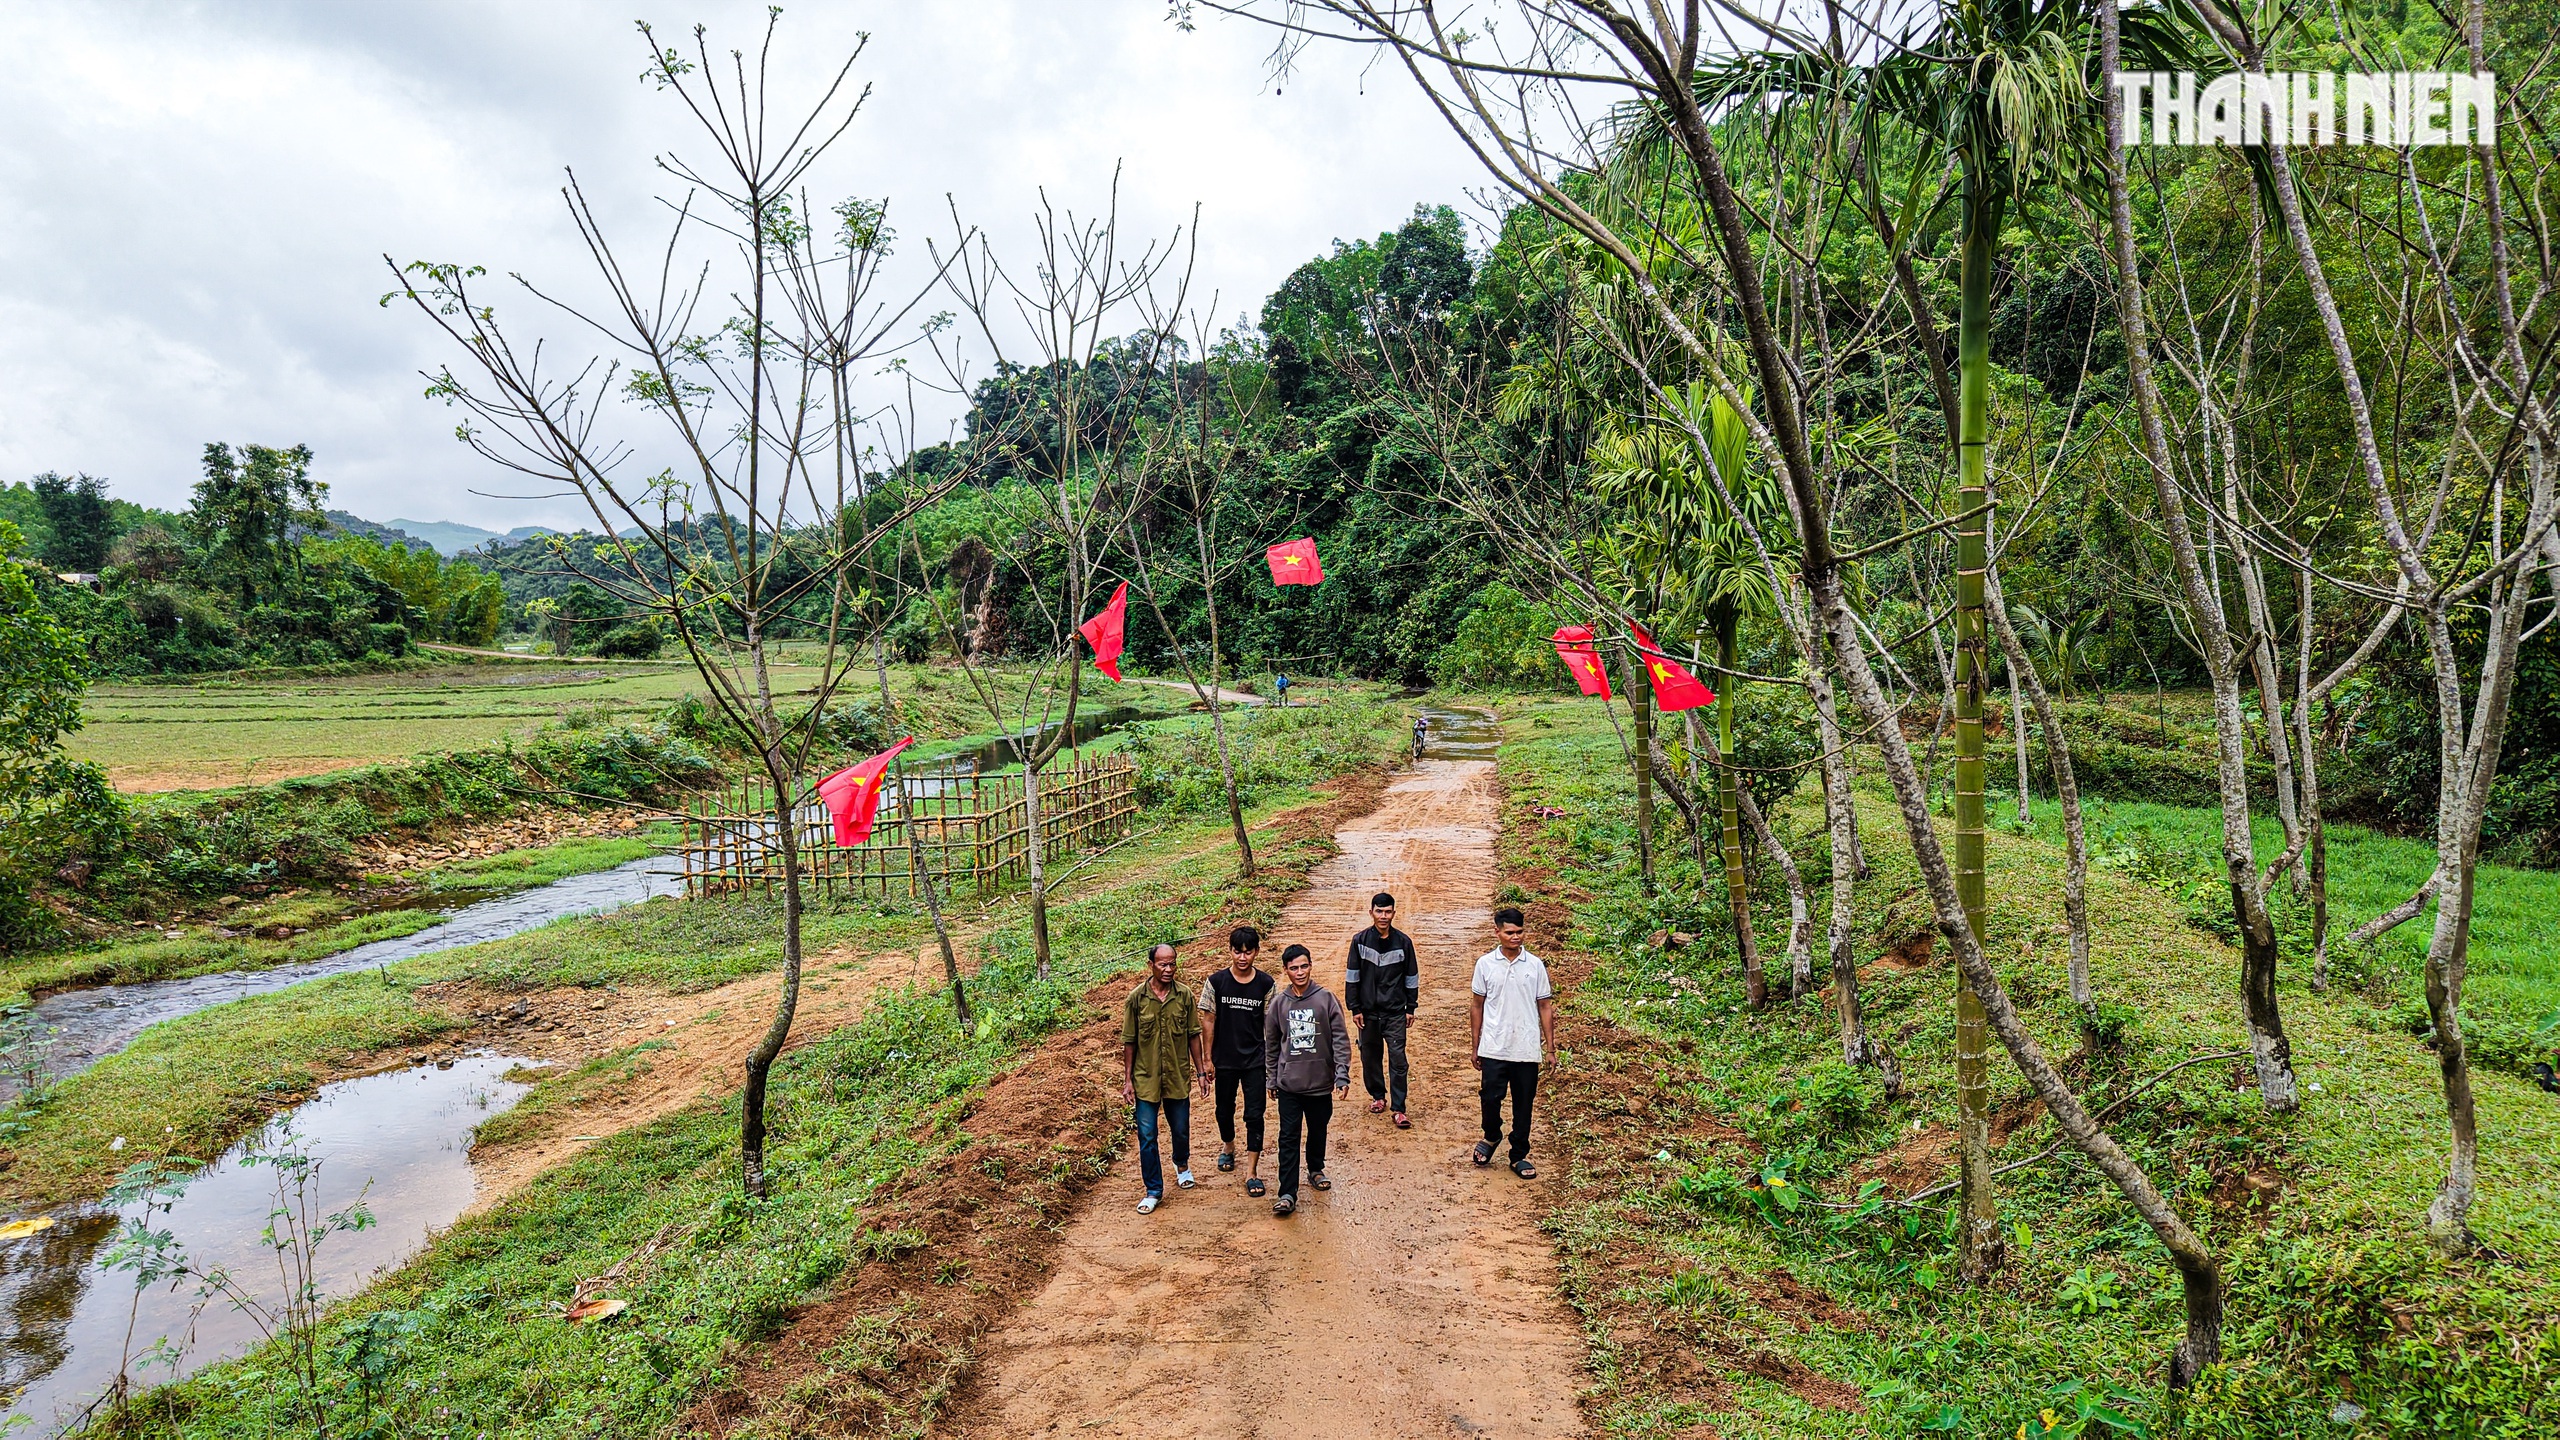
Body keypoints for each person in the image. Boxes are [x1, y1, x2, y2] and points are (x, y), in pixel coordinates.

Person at [1264, 942, 1350, 1216]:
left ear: (1311, 966)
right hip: (1289, 1085)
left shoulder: (1326, 999)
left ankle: (1315, 1168)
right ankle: (1287, 1193)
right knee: (1288, 1137)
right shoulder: (1278, 1004)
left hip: (1320, 1083)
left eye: (1304, 966)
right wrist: (1272, 1078)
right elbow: (1272, 1044)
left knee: (1318, 1128)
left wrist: (1341, 1074)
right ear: (1285, 971)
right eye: (1293, 968)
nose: (1299, 972)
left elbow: (1339, 1038)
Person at [1121, 942, 1207, 1213]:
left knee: (1180, 1129)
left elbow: (1194, 1034)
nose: (1169, 969)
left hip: (1177, 1076)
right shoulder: (1136, 999)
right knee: (1147, 1135)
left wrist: (1201, 1072)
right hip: (1145, 1078)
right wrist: (1127, 1080)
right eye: (1163, 964)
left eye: (1173, 964)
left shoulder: (1184, 996)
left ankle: (1181, 1164)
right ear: (1151, 965)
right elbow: (1129, 1042)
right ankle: (1153, 1189)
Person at [1469, 907, 1555, 1180]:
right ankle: (1492, 1134)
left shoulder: (1535, 965)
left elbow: (1545, 1006)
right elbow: (1477, 1006)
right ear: (1497, 932)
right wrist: (1476, 1045)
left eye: (1519, 932)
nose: (1515, 937)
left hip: (1527, 1048)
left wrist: (1550, 1048)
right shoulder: (1485, 964)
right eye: (1509, 932)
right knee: (1490, 1098)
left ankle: (1518, 1154)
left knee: (1523, 1102)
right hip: (1494, 1045)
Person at [1198, 924, 1278, 1197]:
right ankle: (1228, 1146)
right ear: (1230, 951)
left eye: (1248, 952)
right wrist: (1207, 1059)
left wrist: (1273, 1062)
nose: (1242, 958)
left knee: (1255, 1114)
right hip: (1225, 1060)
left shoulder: (1266, 984)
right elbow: (1208, 1020)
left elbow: (1271, 1025)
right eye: (1237, 952)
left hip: (1255, 1060)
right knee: (1224, 1110)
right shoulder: (1216, 982)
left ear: (1256, 952)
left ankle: (1252, 1171)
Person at [1344, 891, 1420, 1128]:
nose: (1383, 916)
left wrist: (1411, 1007)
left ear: (1394, 914)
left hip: (1395, 1013)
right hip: (1368, 1013)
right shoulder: (1360, 941)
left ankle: (1399, 1108)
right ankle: (1378, 1096)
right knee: (1370, 1057)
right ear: (1371, 913)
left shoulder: (1404, 943)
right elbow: (1352, 977)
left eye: (1388, 912)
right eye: (1379, 911)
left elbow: (1411, 977)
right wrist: (1355, 1008)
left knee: (1398, 1060)